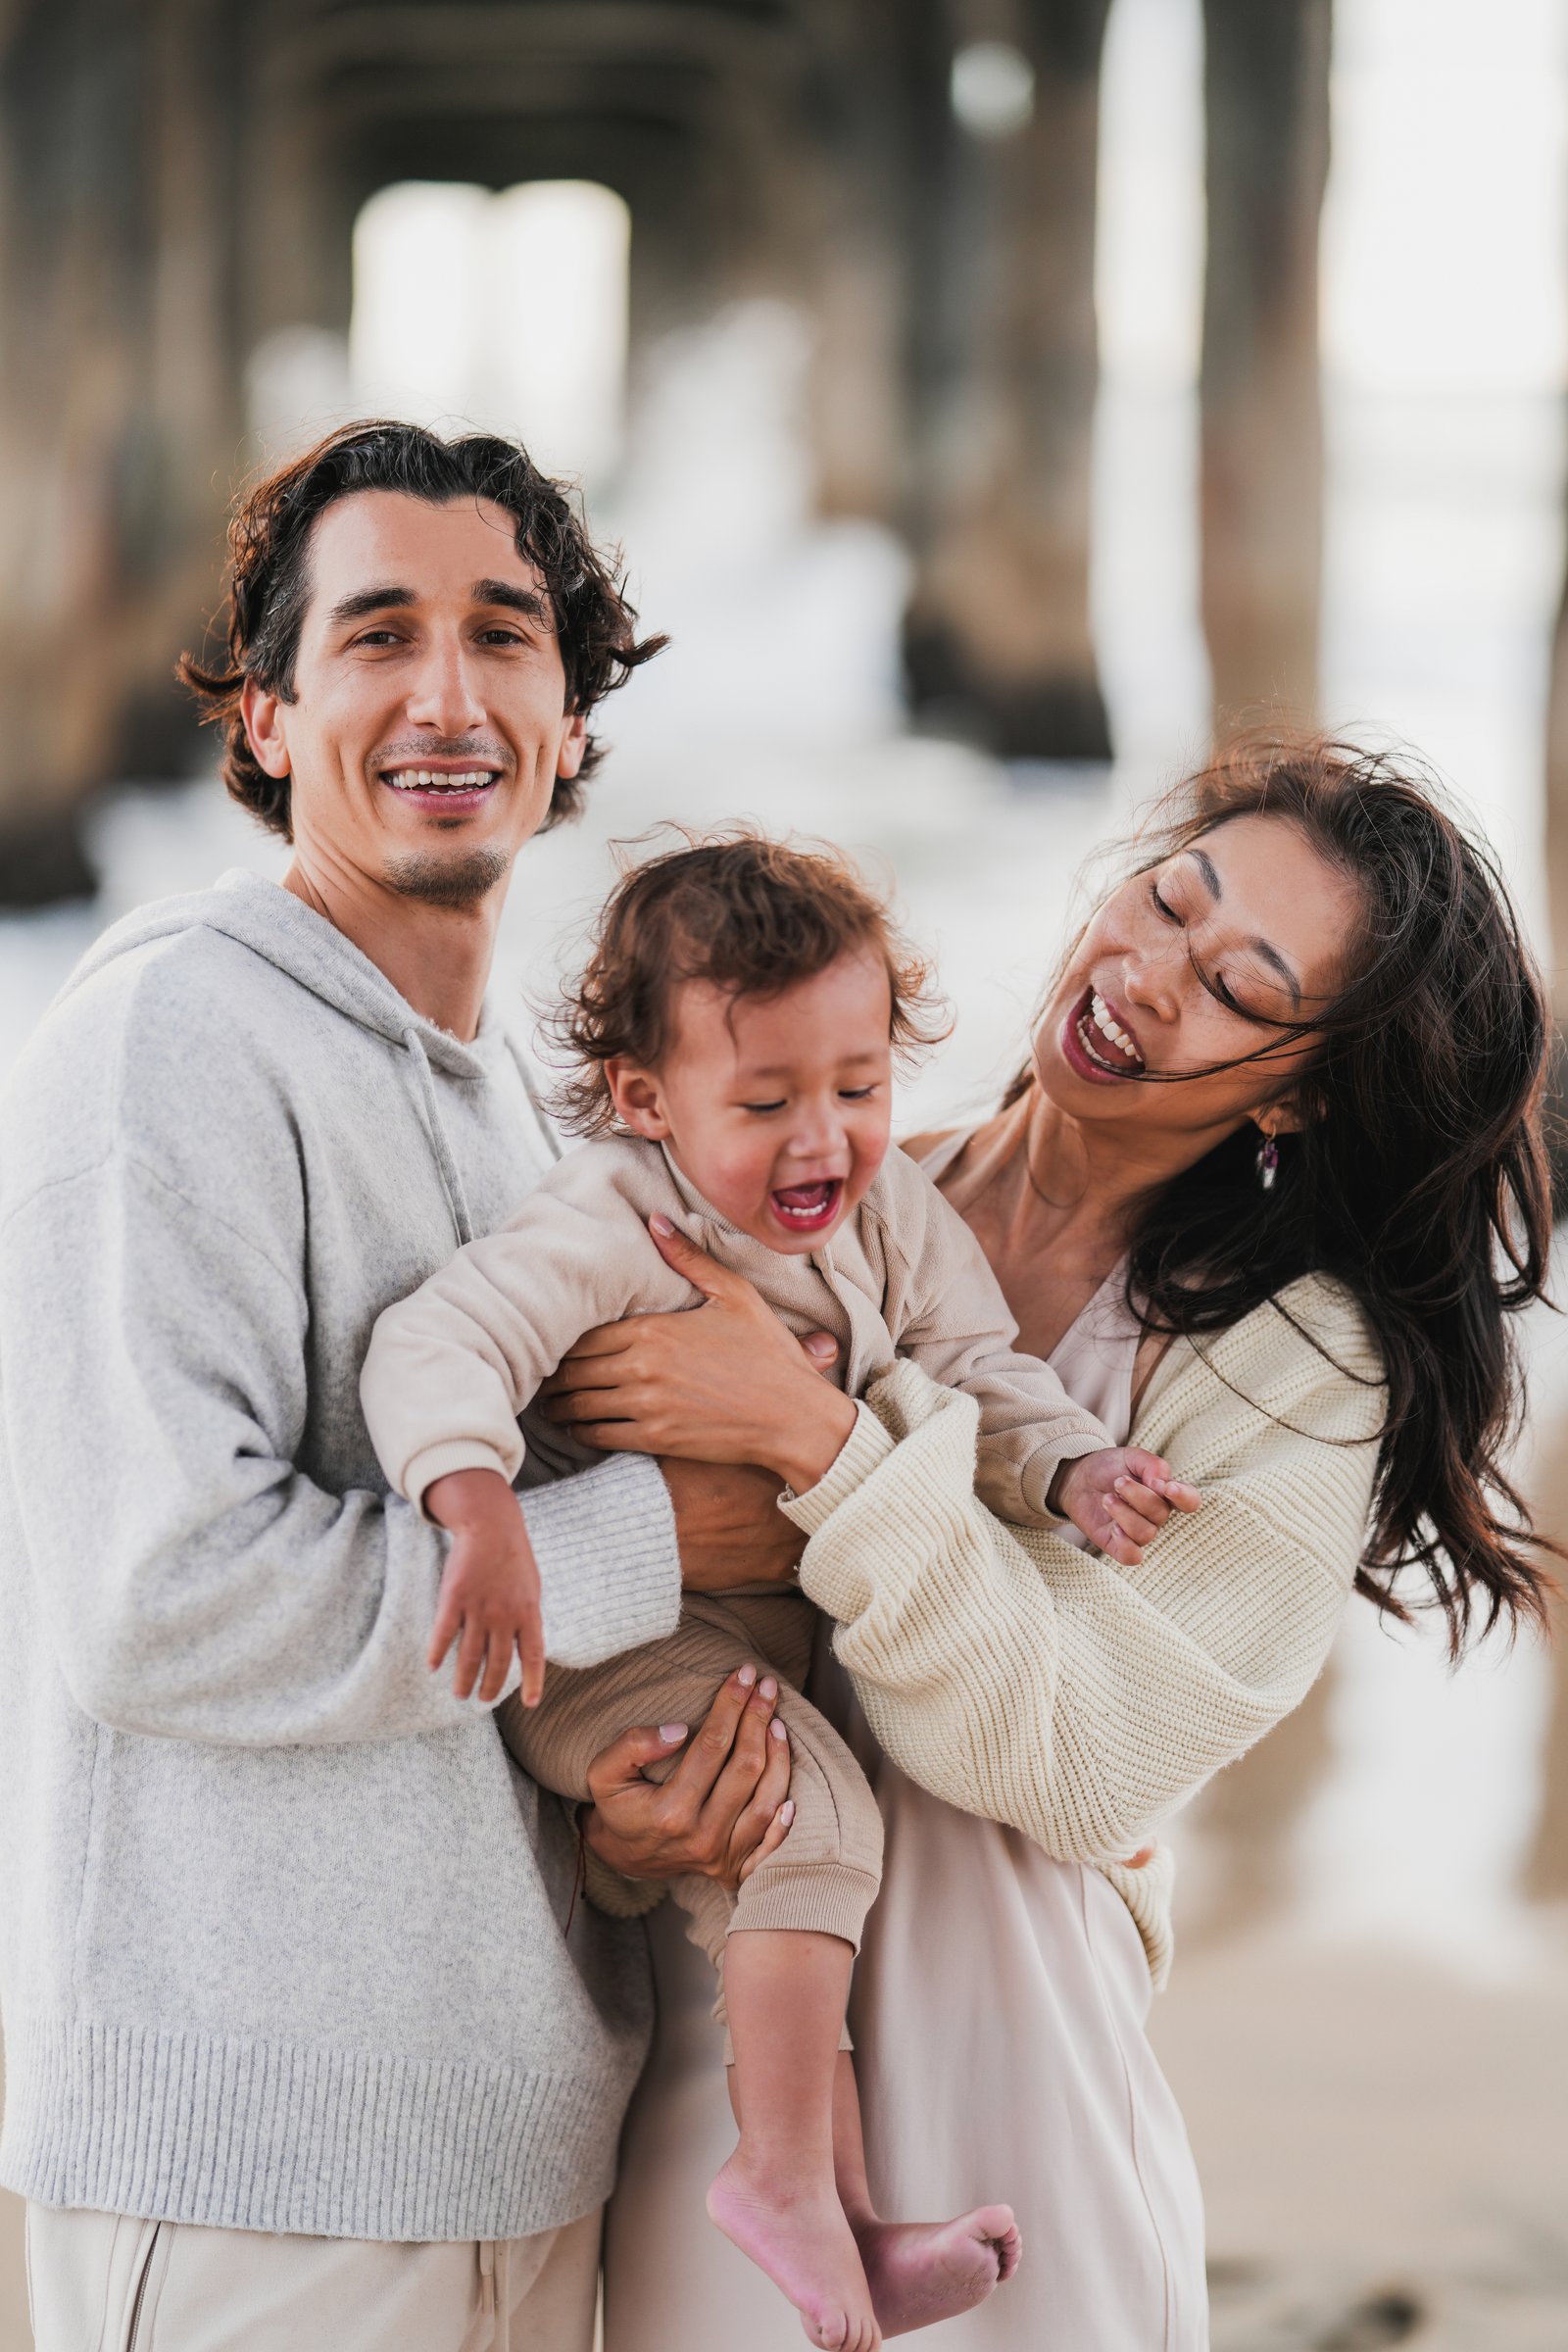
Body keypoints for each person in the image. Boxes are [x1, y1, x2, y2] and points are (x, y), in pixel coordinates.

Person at [539, 739, 1555, 2351]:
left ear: (1297, 1086)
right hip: (727, 2108)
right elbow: (622, 1628)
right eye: (1168, 900)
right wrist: (626, 1818)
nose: (1150, 976)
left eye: (1239, 985)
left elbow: (1077, 1756)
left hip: (1010, 2139)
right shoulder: (831, 1192)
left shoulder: (1295, 1365)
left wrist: (813, 1445)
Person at [0, 420, 798, 2352]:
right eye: (375, 636)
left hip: (529, 2147)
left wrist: (624, 1820)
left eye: (504, 634)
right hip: (257, 2186)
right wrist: (652, 1537)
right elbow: (166, 1602)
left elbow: (487, 1703)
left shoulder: (522, 1105)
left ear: (570, 706)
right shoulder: (171, 1037)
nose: (446, 695)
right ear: (266, 717)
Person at [361, 834, 1200, 2349]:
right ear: (643, 1100)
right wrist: (474, 1499)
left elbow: (974, 1369)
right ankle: (786, 2180)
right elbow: (438, 1346)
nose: (825, 1140)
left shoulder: (886, 1216)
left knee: (812, 1846)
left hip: (748, 1638)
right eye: (764, 1105)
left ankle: (843, 2214)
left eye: (861, 1089)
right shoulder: (610, 1220)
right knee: (819, 1819)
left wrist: (1072, 1472)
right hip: (619, 1643)